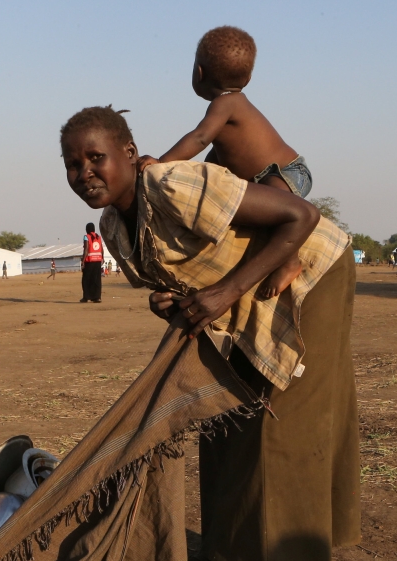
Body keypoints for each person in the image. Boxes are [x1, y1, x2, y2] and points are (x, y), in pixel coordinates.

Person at [44, 106, 359, 559]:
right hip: (248, 295)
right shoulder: (114, 228)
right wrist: (169, 302)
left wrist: (225, 292)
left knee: (280, 429)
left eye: (96, 158)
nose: (84, 173)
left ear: (130, 153)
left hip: (312, 275)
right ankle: (232, 547)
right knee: (227, 428)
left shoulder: (173, 185)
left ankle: (290, 549)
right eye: (73, 165)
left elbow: (301, 215)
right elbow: (189, 277)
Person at [136, 26, 310, 300]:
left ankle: (290, 262)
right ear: (249, 77)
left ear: (199, 72)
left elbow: (201, 137)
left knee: (279, 208)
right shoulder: (231, 107)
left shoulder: (227, 104)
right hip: (265, 175)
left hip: (285, 172)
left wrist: (162, 162)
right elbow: (213, 161)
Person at [80, 222, 104, 303]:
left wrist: (83, 261)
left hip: (89, 261)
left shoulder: (86, 237)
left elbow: (86, 249)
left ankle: (86, 297)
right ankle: (97, 297)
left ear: (87, 229)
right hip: (97, 260)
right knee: (96, 279)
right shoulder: (99, 237)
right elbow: (101, 249)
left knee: (86, 280)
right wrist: (102, 258)